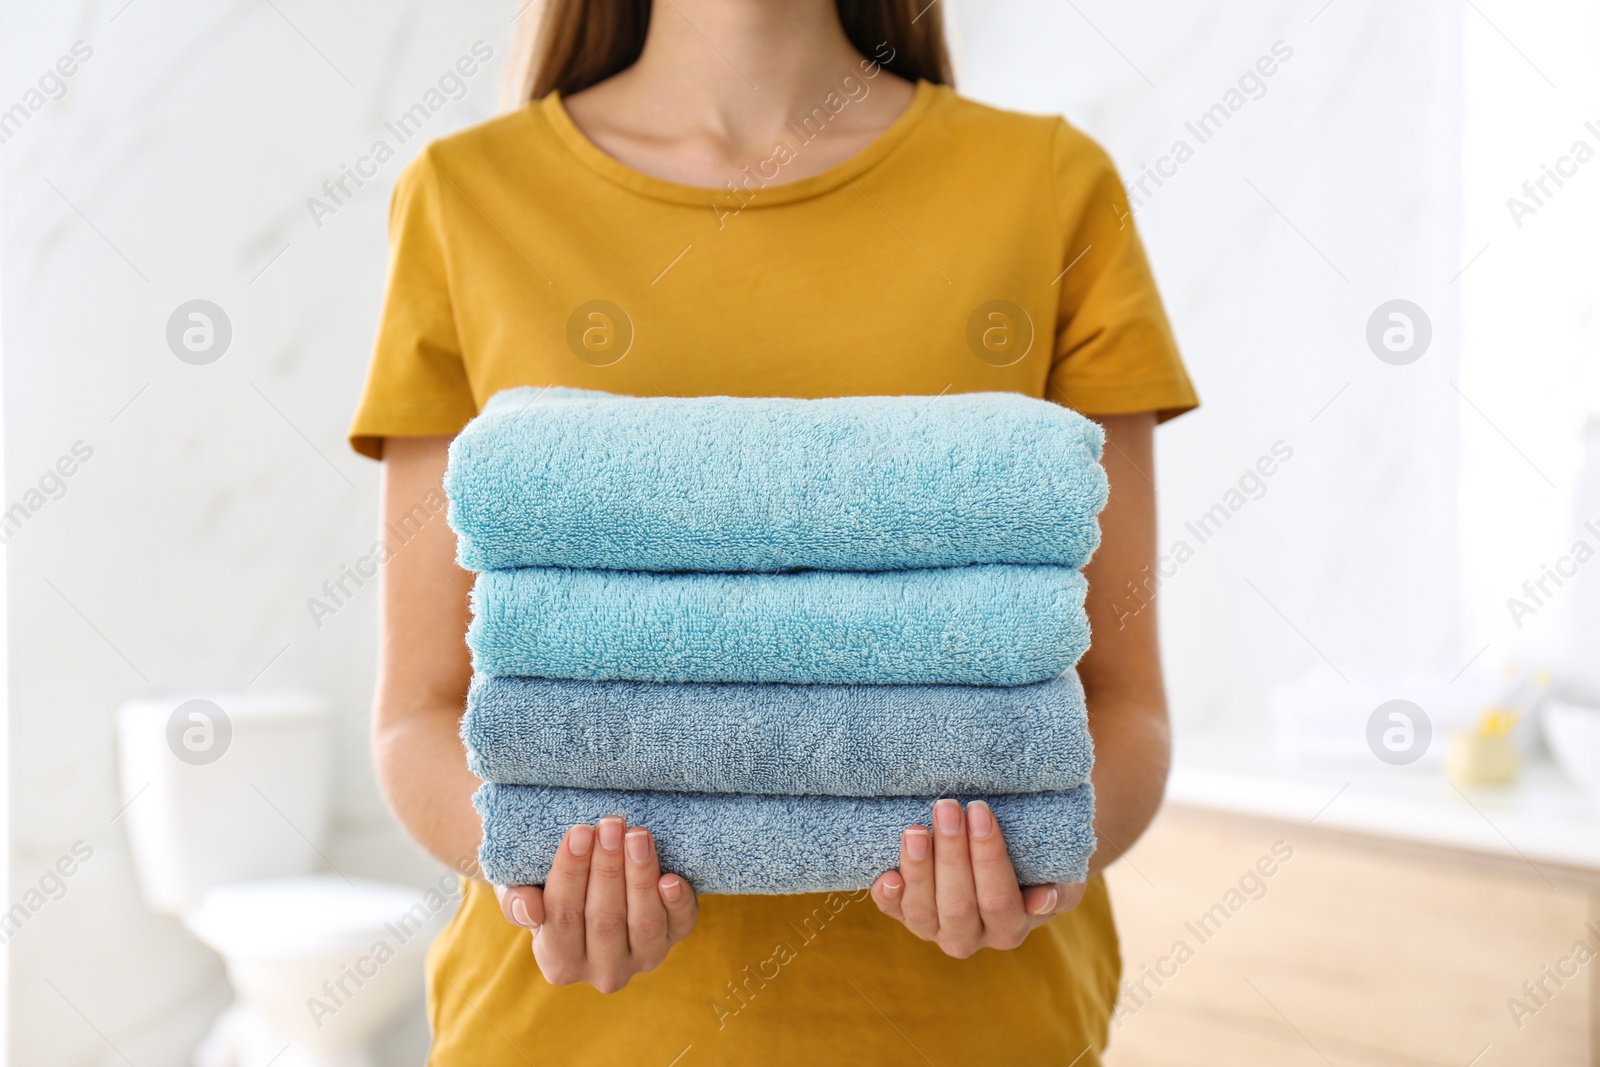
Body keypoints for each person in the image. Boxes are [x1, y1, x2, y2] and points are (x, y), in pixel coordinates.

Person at [348, 0, 1197, 1062]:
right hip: (569, 1036)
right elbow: (419, 710)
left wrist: (1032, 861)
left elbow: (1123, 707)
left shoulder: (1052, 189)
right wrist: (534, 871)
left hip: (969, 1032)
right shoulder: (463, 197)